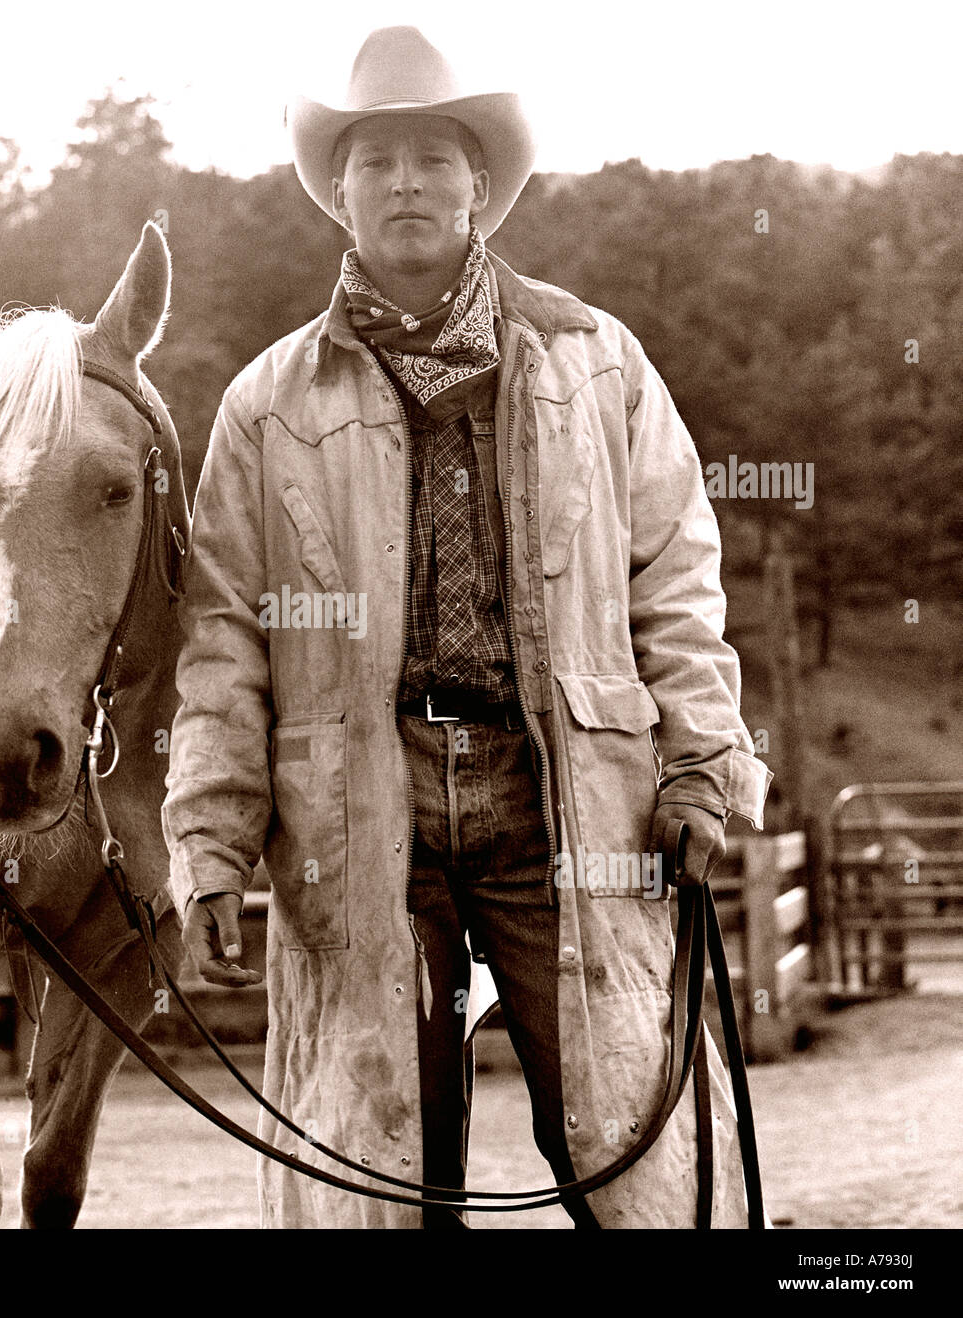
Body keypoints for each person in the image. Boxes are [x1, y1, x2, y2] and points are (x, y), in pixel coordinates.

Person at [162, 24, 772, 1228]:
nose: (405, 183)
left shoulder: (597, 365)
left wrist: (701, 764)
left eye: (433, 158)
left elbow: (675, 581)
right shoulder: (267, 404)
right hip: (353, 803)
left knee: (632, 1142)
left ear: (480, 183)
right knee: (378, 1165)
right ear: (336, 192)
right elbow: (222, 642)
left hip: (567, 794)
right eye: (375, 159)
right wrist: (211, 842)